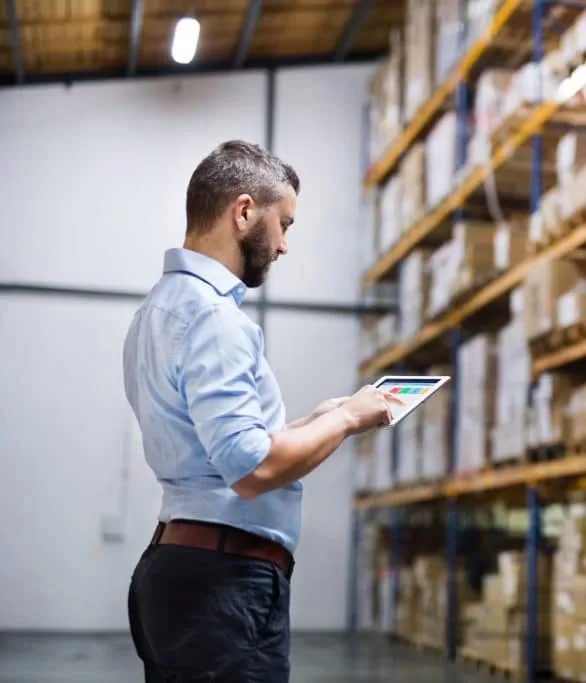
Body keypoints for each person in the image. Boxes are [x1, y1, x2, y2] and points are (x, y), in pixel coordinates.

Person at [122, 140, 399, 682]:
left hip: (179, 572)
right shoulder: (215, 320)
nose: (284, 245)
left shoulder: (157, 310)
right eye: (285, 224)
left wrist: (314, 422)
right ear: (244, 212)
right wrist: (346, 421)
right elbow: (252, 469)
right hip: (223, 586)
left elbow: (214, 446)